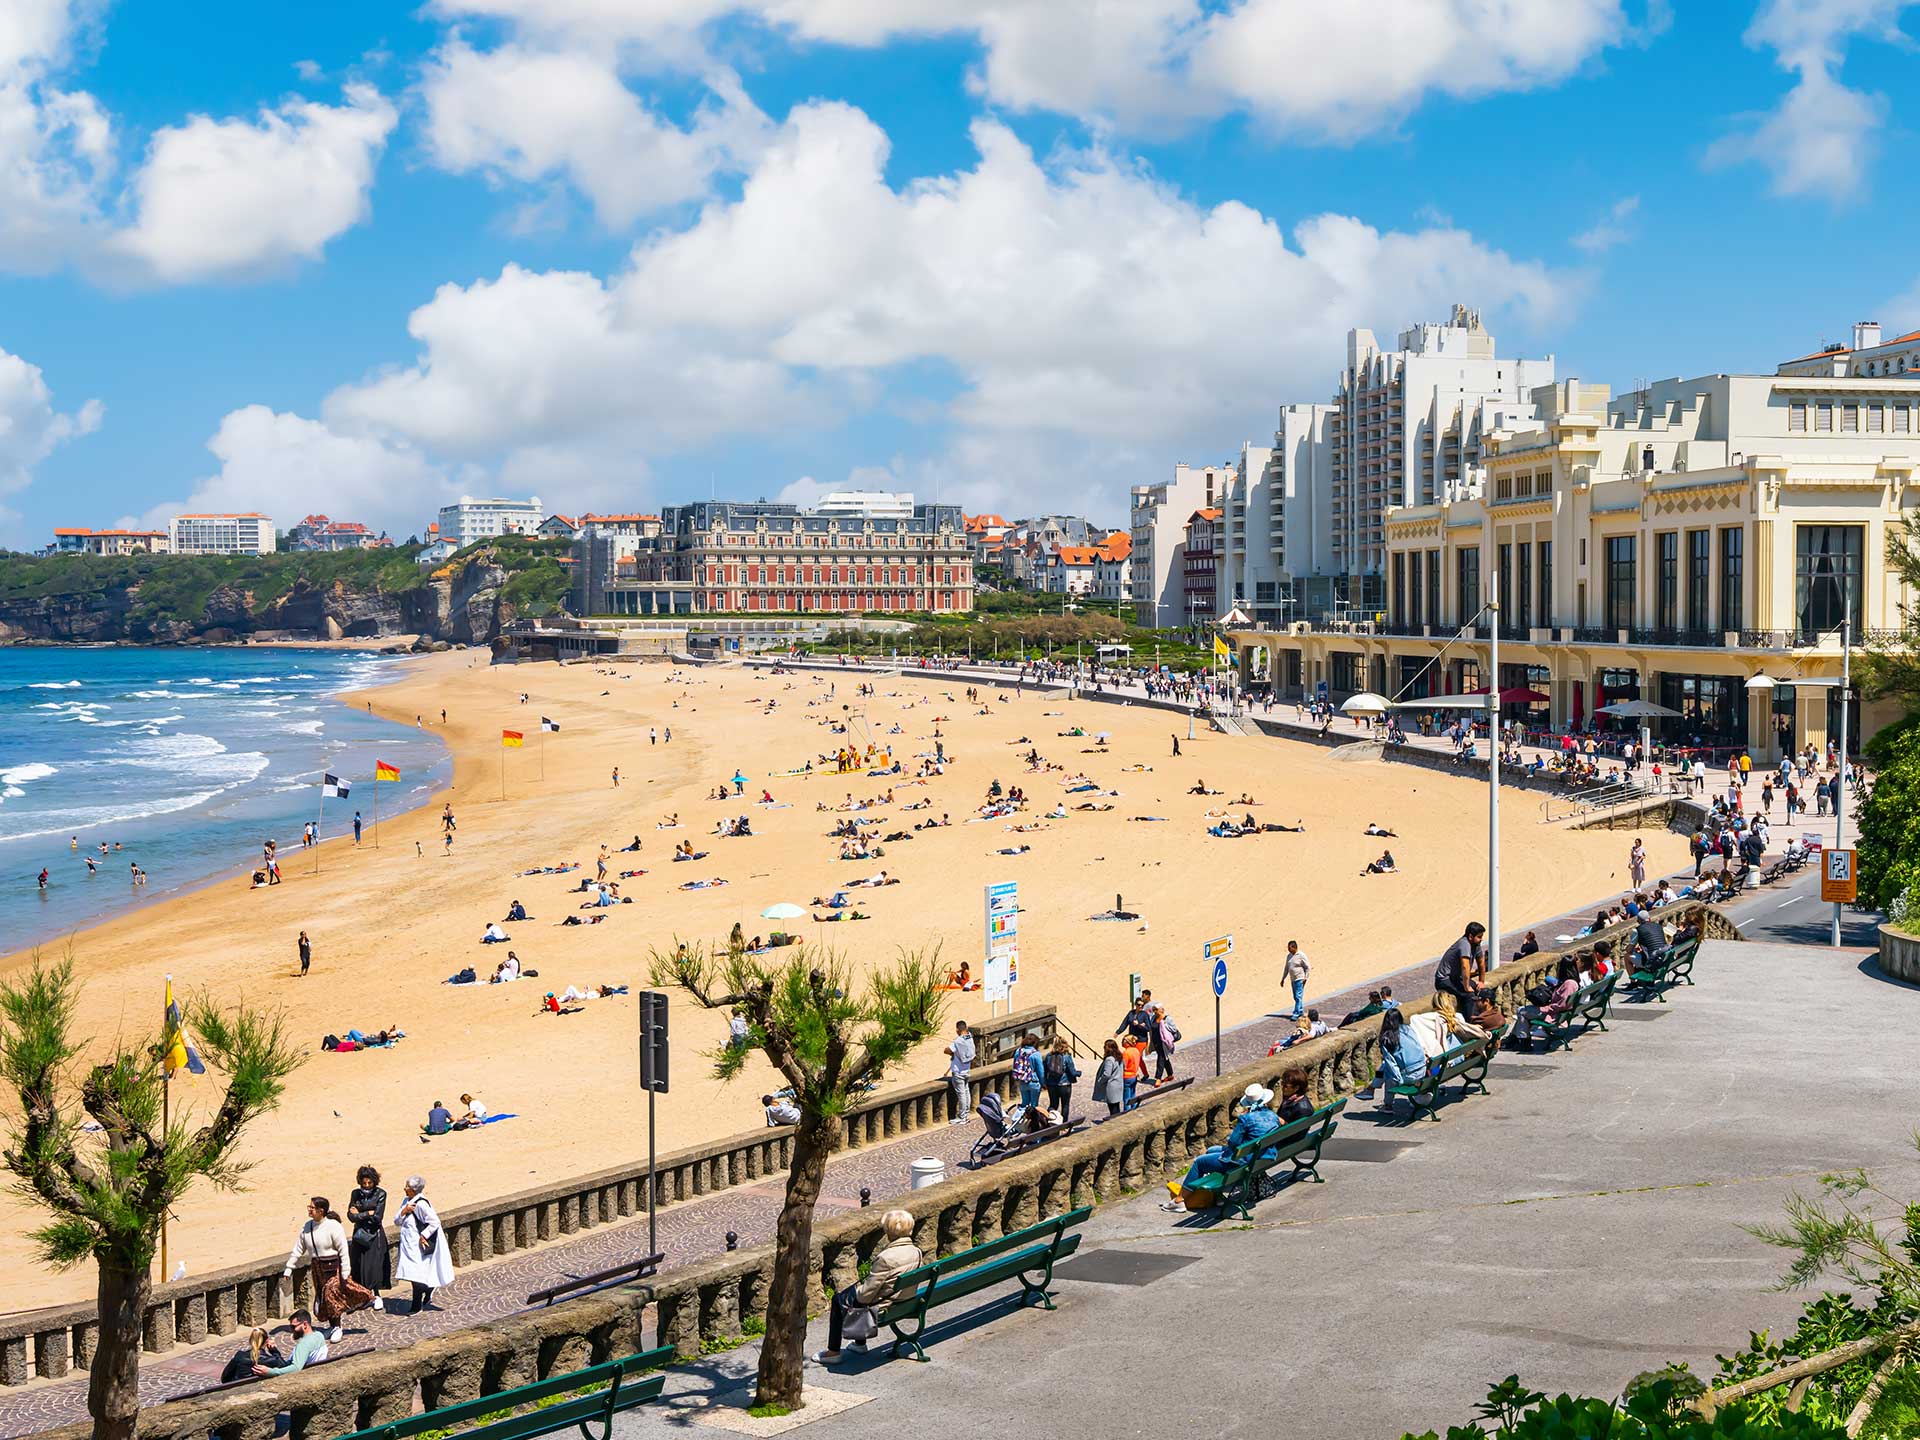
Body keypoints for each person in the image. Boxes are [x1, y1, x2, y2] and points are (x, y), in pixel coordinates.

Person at [816, 1208, 922, 1363]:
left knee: (839, 1299)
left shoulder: (886, 1257)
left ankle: (833, 1352)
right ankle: (859, 1344)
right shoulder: (916, 1251)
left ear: (888, 1231)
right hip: (906, 1298)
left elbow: (865, 1296)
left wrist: (855, 1290)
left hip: (886, 1304)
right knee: (852, 1296)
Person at [1165, 1084, 1277, 1206]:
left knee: (1200, 1162)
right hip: (1264, 1156)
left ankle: (1179, 1200)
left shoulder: (1246, 1119)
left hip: (1245, 1161)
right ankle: (1217, 1196)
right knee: (1211, 1150)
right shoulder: (1273, 1116)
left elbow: (1233, 1143)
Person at [283, 1196, 370, 1343]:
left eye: (312, 1208)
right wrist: (289, 1268)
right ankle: (333, 1325)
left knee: (331, 1295)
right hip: (317, 1268)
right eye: (309, 1207)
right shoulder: (307, 1227)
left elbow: (343, 1249)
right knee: (323, 1298)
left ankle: (339, 1325)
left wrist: (345, 1270)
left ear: (320, 1210)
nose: (309, 1210)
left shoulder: (333, 1226)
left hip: (333, 1266)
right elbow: (298, 1249)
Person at [395, 1176, 452, 1314]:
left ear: (414, 1189)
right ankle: (428, 1290)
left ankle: (416, 1306)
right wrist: (404, 1211)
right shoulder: (406, 1201)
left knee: (416, 1275)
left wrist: (423, 1235)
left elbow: (434, 1222)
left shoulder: (421, 1204)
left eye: (407, 1186)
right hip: (407, 1243)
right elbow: (397, 1221)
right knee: (413, 1274)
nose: (405, 1188)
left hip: (417, 1245)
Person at [1359, 1008, 1431, 1105]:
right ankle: (1371, 1089)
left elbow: (1391, 1065)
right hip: (1422, 1070)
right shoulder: (1409, 1029)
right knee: (1385, 1067)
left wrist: (1399, 1081)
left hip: (1410, 1076)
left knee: (1387, 1071)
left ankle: (1385, 1102)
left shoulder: (1388, 1039)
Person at [346, 1166, 390, 1310]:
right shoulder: (355, 1194)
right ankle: (362, 1296)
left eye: (369, 1183)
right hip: (359, 1235)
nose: (366, 1186)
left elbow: (377, 1218)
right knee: (358, 1265)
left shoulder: (381, 1194)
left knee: (374, 1267)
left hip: (374, 1236)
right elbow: (350, 1216)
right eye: (364, 1183)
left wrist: (360, 1214)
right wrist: (367, 1213)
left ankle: (376, 1295)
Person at [1514, 957, 1581, 1049]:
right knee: (1524, 1012)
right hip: (1558, 1013)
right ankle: (1516, 1038)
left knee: (1521, 1011)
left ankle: (1524, 1042)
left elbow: (1562, 1005)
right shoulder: (1573, 981)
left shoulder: (1569, 984)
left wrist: (1544, 1008)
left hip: (1555, 1014)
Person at [252, 1311, 327, 1377]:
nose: (291, 1330)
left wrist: (271, 1372)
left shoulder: (304, 1344)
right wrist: (274, 1351)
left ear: (305, 1325)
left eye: (293, 1326)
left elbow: (296, 1367)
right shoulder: (319, 1335)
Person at [1434, 922, 1487, 1003]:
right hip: (1444, 979)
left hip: (1457, 978)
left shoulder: (1476, 945)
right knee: (1469, 996)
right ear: (1470, 936)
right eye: (1479, 937)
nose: (1481, 939)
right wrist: (1467, 987)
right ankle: (1470, 1016)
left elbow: (1481, 963)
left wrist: (1481, 982)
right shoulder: (1464, 944)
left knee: (1480, 991)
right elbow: (1465, 966)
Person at [220, 1326, 284, 1384]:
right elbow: (284, 1367)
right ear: (267, 1341)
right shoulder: (270, 1360)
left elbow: (224, 1378)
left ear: (250, 1340)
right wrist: (274, 1351)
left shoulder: (240, 1356)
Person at [1042, 1036, 1081, 1122]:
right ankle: (1063, 1125)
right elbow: (1072, 1072)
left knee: (1053, 1105)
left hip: (1051, 1084)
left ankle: (1049, 1121)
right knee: (1065, 1105)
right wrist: (1079, 1073)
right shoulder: (1067, 1056)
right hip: (1064, 1084)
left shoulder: (1048, 1056)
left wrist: (1044, 1082)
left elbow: (1044, 1070)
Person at [945, 1020, 974, 1125]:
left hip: (958, 1072)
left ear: (957, 1029)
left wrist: (952, 1053)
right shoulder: (970, 1037)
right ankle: (966, 1114)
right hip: (967, 1070)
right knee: (966, 1093)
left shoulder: (957, 1041)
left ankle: (962, 1117)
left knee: (962, 1094)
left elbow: (947, 1050)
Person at [1011, 1032, 1045, 1111]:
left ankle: (1022, 1121)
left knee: (1024, 1103)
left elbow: (1015, 1065)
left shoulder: (1018, 1052)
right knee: (1034, 1105)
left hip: (1022, 1081)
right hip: (1033, 1081)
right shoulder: (1036, 1054)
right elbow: (1040, 1071)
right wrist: (1043, 1083)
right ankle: (1032, 1122)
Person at [1094, 1038, 1126, 1117]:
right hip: (1118, 1084)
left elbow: (1107, 1074)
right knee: (1116, 1107)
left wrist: (1099, 1081)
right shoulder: (1119, 1057)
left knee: (1113, 1109)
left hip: (1111, 1087)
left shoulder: (1109, 1059)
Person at [1284, 940, 1310, 1020]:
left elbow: (1308, 967)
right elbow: (1286, 968)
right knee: (1296, 997)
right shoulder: (1289, 956)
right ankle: (1300, 1011)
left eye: (1290, 948)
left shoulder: (1301, 955)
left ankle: (1295, 1014)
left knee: (1298, 996)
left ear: (1294, 947)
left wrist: (1305, 978)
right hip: (1293, 979)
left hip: (1300, 978)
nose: (1288, 949)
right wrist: (1283, 978)